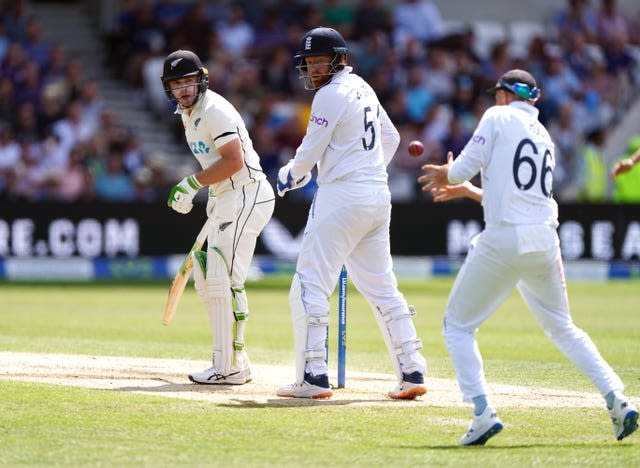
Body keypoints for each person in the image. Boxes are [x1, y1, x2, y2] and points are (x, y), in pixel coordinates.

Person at [418, 69, 638, 445]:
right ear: (532, 99)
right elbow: (519, 197)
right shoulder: (544, 135)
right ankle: (617, 399)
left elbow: (461, 167)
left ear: (504, 95)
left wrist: (448, 174)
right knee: (564, 328)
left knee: (457, 326)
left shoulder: (497, 116)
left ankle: (482, 411)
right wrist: (470, 192)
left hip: (504, 239)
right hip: (543, 241)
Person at [275, 27, 427, 400]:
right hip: (377, 194)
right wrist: (366, 168)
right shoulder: (363, 87)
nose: (312, 69)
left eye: (318, 61)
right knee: (382, 286)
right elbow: (390, 139)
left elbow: (308, 153)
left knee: (311, 283)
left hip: (341, 195)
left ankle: (313, 376)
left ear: (338, 59)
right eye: (308, 62)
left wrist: (287, 177)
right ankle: (412, 370)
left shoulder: (329, 95)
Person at [161, 49, 275, 385]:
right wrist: (209, 195)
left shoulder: (214, 110)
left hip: (247, 194)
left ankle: (230, 366)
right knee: (207, 277)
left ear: (201, 80)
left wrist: (191, 184)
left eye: (189, 82)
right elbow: (216, 166)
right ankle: (233, 360)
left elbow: (233, 161)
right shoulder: (188, 114)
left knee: (224, 279)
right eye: (176, 83)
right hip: (227, 198)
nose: (183, 89)